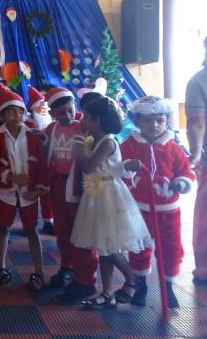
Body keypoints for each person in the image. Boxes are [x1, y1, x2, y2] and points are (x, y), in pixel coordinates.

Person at [70, 96, 152, 309]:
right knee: (103, 247)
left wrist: (78, 147)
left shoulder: (107, 142)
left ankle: (132, 278)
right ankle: (107, 292)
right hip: (96, 194)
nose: (82, 120)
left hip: (108, 195)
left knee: (110, 248)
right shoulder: (94, 139)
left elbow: (89, 167)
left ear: (96, 121)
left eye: (86, 117)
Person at [121, 96, 194, 307]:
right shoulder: (129, 145)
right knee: (139, 248)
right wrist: (126, 167)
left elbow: (185, 172)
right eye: (148, 120)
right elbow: (118, 168)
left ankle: (168, 286)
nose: (155, 125)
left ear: (166, 121)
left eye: (160, 120)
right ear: (138, 120)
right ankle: (141, 285)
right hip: (139, 209)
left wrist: (181, 183)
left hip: (169, 211)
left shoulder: (174, 148)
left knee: (171, 249)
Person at [0, 86, 48, 290]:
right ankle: (1, 267)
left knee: (32, 230)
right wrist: (11, 177)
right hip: (6, 193)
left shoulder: (33, 136)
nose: (17, 115)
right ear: (3, 114)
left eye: (20, 111)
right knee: (3, 228)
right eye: (12, 111)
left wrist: (38, 188)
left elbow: (42, 164)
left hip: (29, 193)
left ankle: (39, 271)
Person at [45, 87, 98, 299]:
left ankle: (86, 278)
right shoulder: (51, 129)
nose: (67, 116)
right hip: (58, 185)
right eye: (61, 113)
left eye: (70, 110)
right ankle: (67, 267)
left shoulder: (83, 127)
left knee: (83, 231)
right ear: (52, 114)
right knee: (62, 229)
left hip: (79, 186)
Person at [185, 39, 207, 284]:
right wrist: (198, 153)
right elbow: (197, 123)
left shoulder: (198, 81)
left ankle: (204, 269)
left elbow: (197, 122)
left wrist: (197, 153)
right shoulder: (199, 81)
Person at [26, 85, 54, 235]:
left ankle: (48, 221)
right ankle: (29, 223)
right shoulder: (27, 124)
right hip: (30, 164)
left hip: (48, 163)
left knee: (46, 192)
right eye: (39, 107)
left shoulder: (52, 124)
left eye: (44, 106)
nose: (42, 109)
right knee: (30, 192)